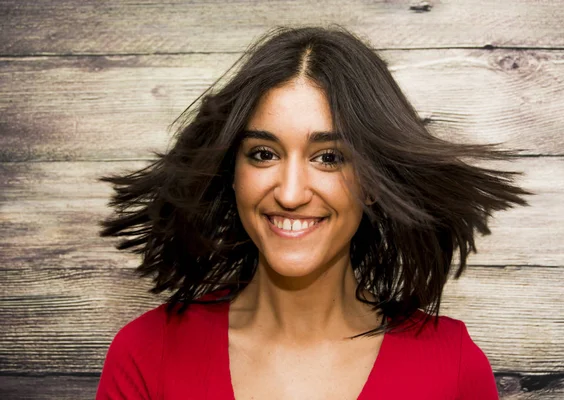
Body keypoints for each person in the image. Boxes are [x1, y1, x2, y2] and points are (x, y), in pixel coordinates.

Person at [95, 25, 530, 399]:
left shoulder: (451, 367)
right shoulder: (147, 354)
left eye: (329, 158)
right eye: (264, 153)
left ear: (374, 182)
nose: (290, 192)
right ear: (233, 173)